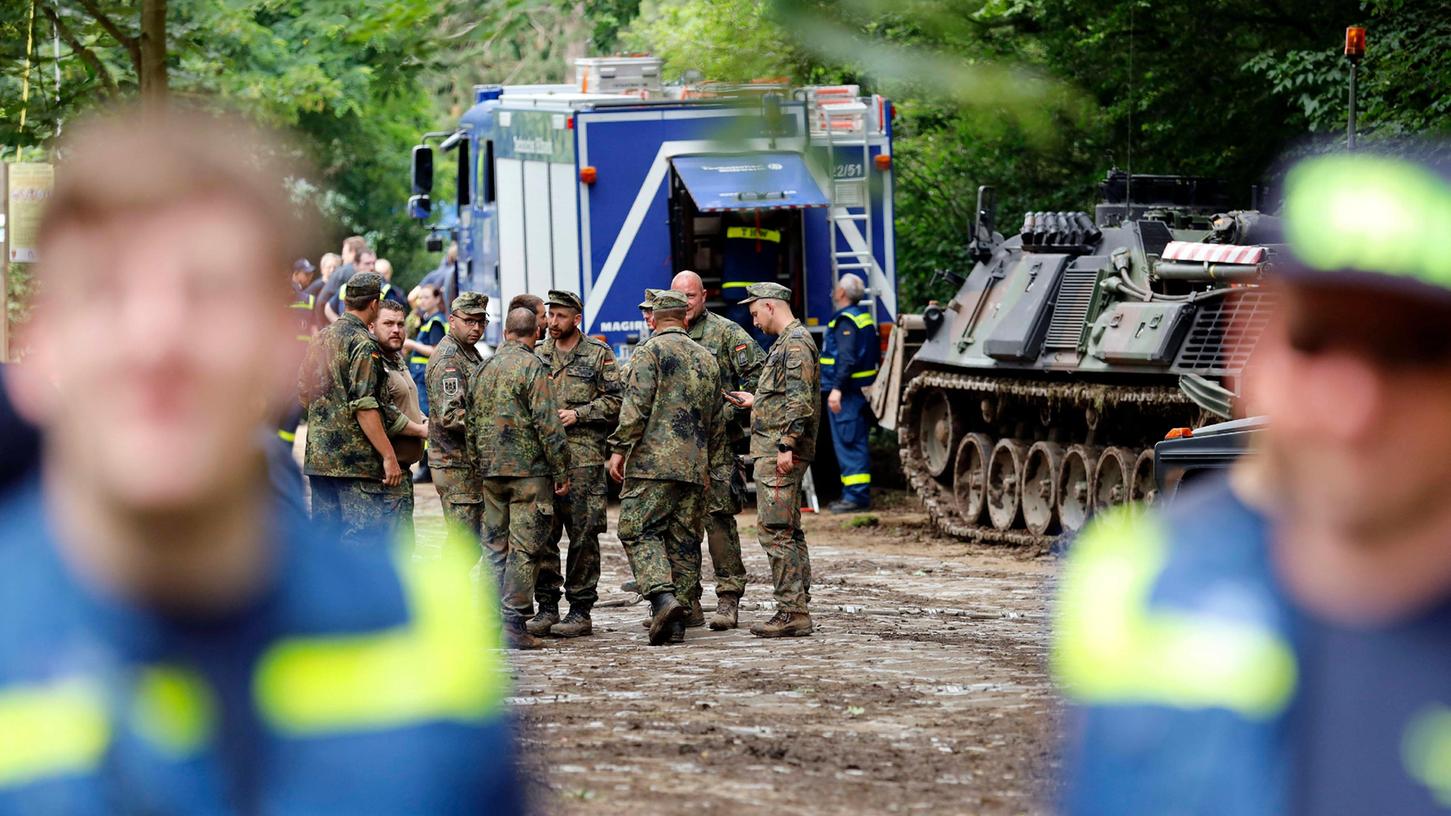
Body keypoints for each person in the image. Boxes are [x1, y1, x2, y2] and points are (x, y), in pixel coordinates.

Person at [0, 105, 522, 813]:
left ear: (283, 353)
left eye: (208, 291)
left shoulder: (425, 622)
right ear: (38, 352)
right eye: (105, 292)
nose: (157, 340)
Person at [1057, 150, 1451, 815]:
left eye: (1410, 354)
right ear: (1251, 344)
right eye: (1314, 342)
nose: (1354, 408)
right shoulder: (1140, 586)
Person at [607, 289, 725, 646]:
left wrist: (618, 449)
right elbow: (716, 420)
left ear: (656, 319)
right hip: (694, 466)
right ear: (685, 317)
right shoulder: (707, 358)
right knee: (683, 540)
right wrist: (714, 467)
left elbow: (636, 407)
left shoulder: (649, 352)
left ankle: (661, 598)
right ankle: (678, 618)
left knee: (637, 529)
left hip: (652, 464)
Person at [299, 271, 426, 547]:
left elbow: (303, 391)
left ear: (345, 301)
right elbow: (366, 406)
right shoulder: (363, 344)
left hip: (320, 461)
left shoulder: (321, 338)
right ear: (374, 305)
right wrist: (389, 456)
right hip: (356, 466)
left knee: (325, 542)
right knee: (362, 541)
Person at [470, 307, 571, 650]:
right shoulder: (533, 367)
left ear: (506, 332)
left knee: (494, 548)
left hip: (491, 473)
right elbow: (548, 423)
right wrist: (561, 469)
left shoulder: (484, 368)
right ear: (535, 332)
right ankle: (513, 623)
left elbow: (469, 424)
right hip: (529, 474)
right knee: (525, 549)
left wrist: (476, 468)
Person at [671, 270, 765, 629]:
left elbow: (758, 376)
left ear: (704, 295)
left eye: (690, 297)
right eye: (678, 297)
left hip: (717, 447)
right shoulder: (667, 333)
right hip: (678, 451)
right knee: (681, 524)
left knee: (719, 521)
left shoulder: (726, 333)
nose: (685, 304)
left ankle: (728, 598)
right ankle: (687, 599)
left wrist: (726, 411)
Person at [729, 282, 820, 638]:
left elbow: (799, 402)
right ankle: (797, 600)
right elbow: (786, 395)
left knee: (775, 530)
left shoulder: (794, 344)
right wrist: (757, 401)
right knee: (788, 528)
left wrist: (785, 445)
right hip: (777, 445)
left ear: (770, 305)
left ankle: (792, 610)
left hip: (779, 450)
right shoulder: (788, 342)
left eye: (755, 313)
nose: (754, 322)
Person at [529, 290, 622, 639]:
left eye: (560, 317)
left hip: (583, 460)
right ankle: (547, 606)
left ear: (576, 319)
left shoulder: (599, 355)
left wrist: (580, 414)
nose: (552, 323)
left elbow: (617, 400)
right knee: (544, 534)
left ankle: (580, 609)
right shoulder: (537, 356)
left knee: (584, 535)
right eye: (549, 316)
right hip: (543, 461)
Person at [423, 292, 490, 563]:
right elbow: (450, 415)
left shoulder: (468, 353)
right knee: (465, 545)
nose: (476, 327)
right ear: (452, 320)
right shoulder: (449, 359)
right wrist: (493, 424)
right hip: (455, 466)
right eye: (469, 321)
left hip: (467, 464)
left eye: (481, 322)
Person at [820, 273, 880, 513]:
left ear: (842, 293)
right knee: (854, 441)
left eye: (836, 288)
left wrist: (836, 389)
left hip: (848, 394)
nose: (834, 291)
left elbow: (846, 359)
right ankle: (853, 495)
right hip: (858, 392)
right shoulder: (863, 318)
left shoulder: (846, 320)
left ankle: (855, 497)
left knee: (849, 442)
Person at [372, 299, 426, 546]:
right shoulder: (374, 363)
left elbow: (408, 404)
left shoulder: (396, 359)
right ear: (372, 327)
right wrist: (421, 430)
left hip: (404, 473)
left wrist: (425, 420)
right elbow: (384, 411)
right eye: (388, 324)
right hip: (386, 474)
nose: (396, 329)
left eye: (401, 324)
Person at [317, 235, 367, 324]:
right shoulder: (349, 271)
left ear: (353, 252)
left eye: (344, 253)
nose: (342, 257)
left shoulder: (346, 270)